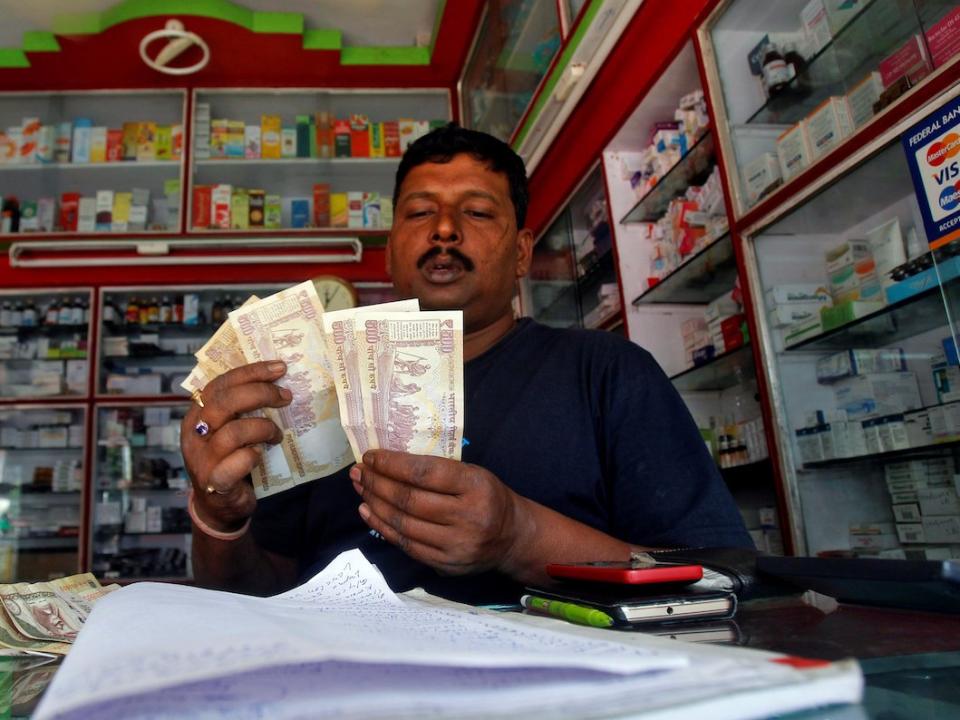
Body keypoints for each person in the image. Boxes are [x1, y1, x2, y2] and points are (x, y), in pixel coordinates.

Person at [181, 124, 751, 604]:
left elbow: (720, 580)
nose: (445, 230)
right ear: (390, 250)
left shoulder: (607, 372)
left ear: (523, 252)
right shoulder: (310, 392)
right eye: (420, 212)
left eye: (476, 212)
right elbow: (254, 597)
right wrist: (218, 518)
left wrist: (520, 537)